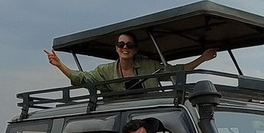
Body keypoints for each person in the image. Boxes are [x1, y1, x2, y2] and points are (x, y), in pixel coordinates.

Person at [45, 31, 217, 92]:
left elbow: (177, 70)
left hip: (150, 112)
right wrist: (60, 65)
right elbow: (82, 78)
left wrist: (202, 58)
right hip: (119, 115)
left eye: (129, 45)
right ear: (116, 48)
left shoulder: (149, 66)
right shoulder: (105, 70)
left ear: (135, 49)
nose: (125, 47)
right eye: (121, 44)